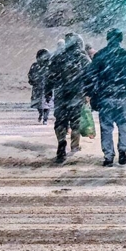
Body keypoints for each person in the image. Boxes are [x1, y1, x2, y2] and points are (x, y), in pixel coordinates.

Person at [86, 28, 126, 167]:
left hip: (105, 97)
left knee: (106, 127)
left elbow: (91, 76)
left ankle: (108, 156)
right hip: (123, 96)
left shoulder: (100, 55)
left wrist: (89, 92)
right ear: (121, 39)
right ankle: (123, 149)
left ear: (108, 39)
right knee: (124, 124)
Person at [46, 33, 91, 163]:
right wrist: (89, 92)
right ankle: (75, 145)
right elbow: (90, 76)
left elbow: (50, 76)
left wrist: (48, 92)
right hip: (76, 94)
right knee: (75, 121)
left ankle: (61, 143)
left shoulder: (57, 57)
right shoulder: (82, 58)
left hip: (61, 95)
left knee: (60, 121)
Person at [28, 49, 53, 125]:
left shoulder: (49, 66)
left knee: (47, 104)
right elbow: (30, 74)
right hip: (38, 88)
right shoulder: (35, 66)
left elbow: (53, 75)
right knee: (39, 104)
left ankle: (45, 118)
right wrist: (32, 80)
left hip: (46, 88)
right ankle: (41, 114)